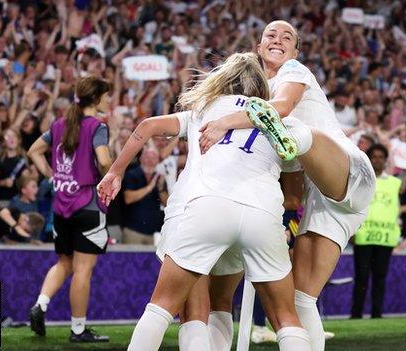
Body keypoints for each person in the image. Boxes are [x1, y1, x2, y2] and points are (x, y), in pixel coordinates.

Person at [97, 52, 311, 351]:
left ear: (222, 78)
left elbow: (146, 126)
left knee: (166, 306)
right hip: (263, 215)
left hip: (205, 208)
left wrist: (115, 172)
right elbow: (295, 178)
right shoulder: (274, 115)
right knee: (284, 317)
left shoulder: (204, 108)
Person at [199, 21, 376, 351]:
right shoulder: (251, 98)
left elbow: (280, 108)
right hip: (323, 200)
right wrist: (273, 222)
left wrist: (224, 122)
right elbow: (292, 193)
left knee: (289, 124)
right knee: (301, 298)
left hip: (350, 173)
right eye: (271, 35)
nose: (278, 40)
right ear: (258, 45)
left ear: (296, 51)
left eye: (287, 37)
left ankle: (294, 138)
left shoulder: (294, 71)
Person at [27, 76, 113, 343]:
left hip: (61, 208)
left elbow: (33, 151)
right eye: (106, 95)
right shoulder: (97, 127)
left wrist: (53, 177)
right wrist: (112, 174)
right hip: (87, 206)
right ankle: (78, 330)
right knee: (83, 270)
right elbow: (103, 161)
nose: (108, 100)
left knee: (64, 262)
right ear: (96, 98)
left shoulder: (58, 125)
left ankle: (41, 304)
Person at [351, 144, 400, 319]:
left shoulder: (395, 183)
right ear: (369, 159)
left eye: (381, 157)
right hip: (364, 236)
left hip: (385, 237)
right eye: (374, 156)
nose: (377, 160)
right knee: (361, 278)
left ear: (386, 160)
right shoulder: (361, 181)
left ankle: (376, 315)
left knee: (380, 279)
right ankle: (356, 315)